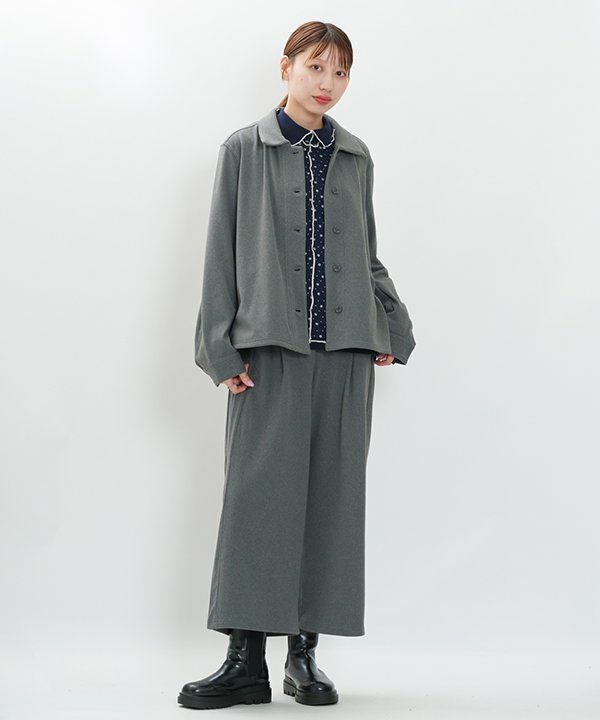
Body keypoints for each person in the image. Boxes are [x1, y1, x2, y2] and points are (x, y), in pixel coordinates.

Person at [177, 20, 416, 710]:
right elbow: (221, 252)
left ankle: (302, 657)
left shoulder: (356, 157)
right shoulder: (243, 150)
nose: (328, 83)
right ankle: (244, 659)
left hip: (345, 352)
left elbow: (366, 253)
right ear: (286, 68)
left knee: (330, 502)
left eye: (340, 72)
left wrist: (391, 324)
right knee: (257, 503)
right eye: (316, 66)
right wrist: (219, 347)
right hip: (269, 351)